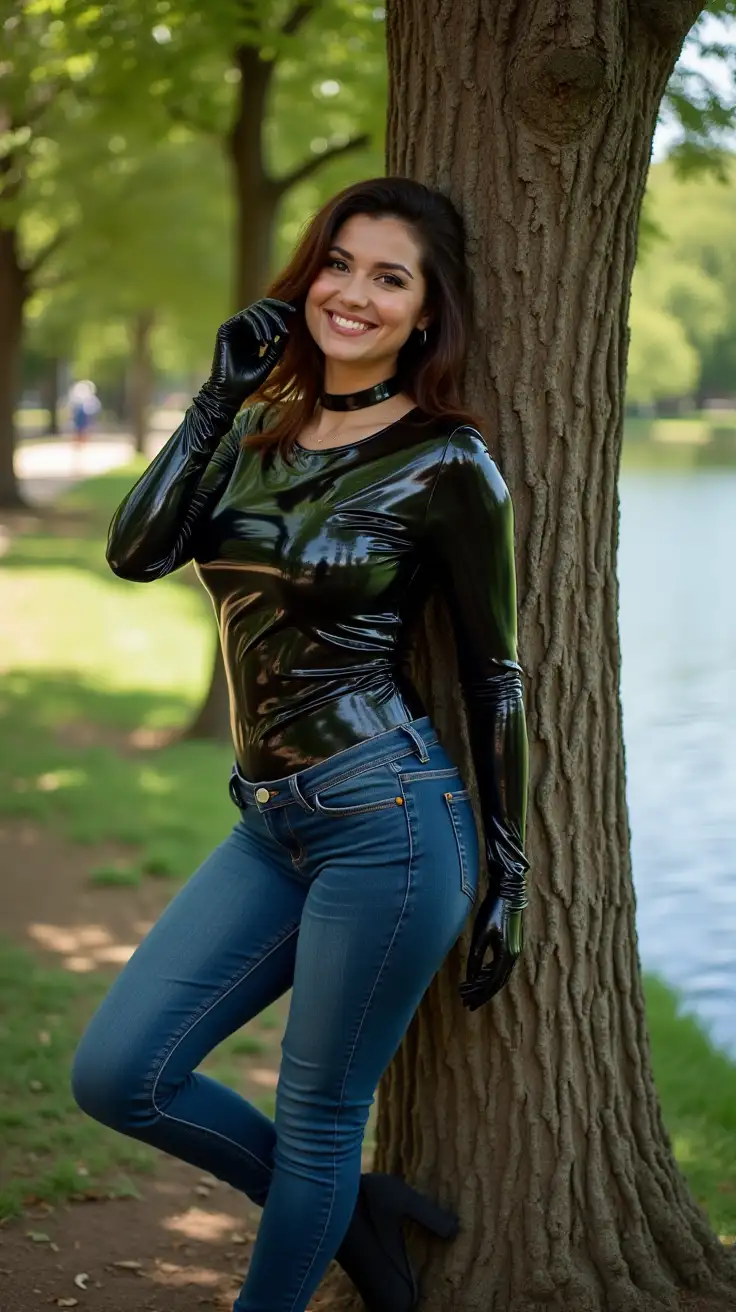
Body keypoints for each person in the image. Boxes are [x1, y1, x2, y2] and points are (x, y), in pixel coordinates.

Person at [71, 176, 530, 1312]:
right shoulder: (255, 434)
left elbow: (493, 676)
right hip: (267, 822)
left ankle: (303, 1237)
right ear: (307, 274)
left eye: (390, 278)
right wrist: (218, 395)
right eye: (340, 264)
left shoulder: (446, 463)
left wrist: (509, 872)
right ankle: (342, 1205)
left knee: (323, 1109)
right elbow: (135, 552)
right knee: (118, 1074)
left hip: (388, 821)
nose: (355, 295)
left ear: (426, 313)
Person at [67, 379, 101, 447]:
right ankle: (79, 442)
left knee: (82, 428)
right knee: (79, 428)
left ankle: (81, 442)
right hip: (81, 413)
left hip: (83, 413)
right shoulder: (79, 397)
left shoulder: (89, 398)